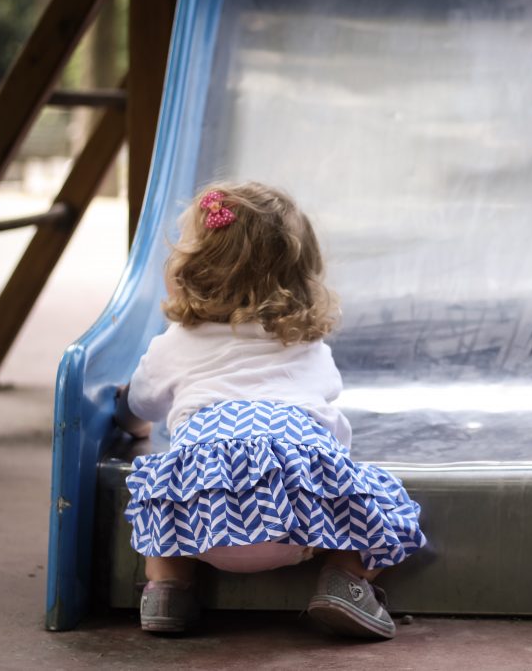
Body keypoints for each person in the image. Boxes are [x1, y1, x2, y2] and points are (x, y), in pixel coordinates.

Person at [114, 181, 426, 640]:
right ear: (302, 277)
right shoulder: (306, 345)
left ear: (188, 267)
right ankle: (344, 578)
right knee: (387, 500)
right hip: (295, 523)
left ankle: (167, 589)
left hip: (203, 527)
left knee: (164, 486)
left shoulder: (173, 345)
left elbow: (137, 407)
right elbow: (329, 428)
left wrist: (134, 423)